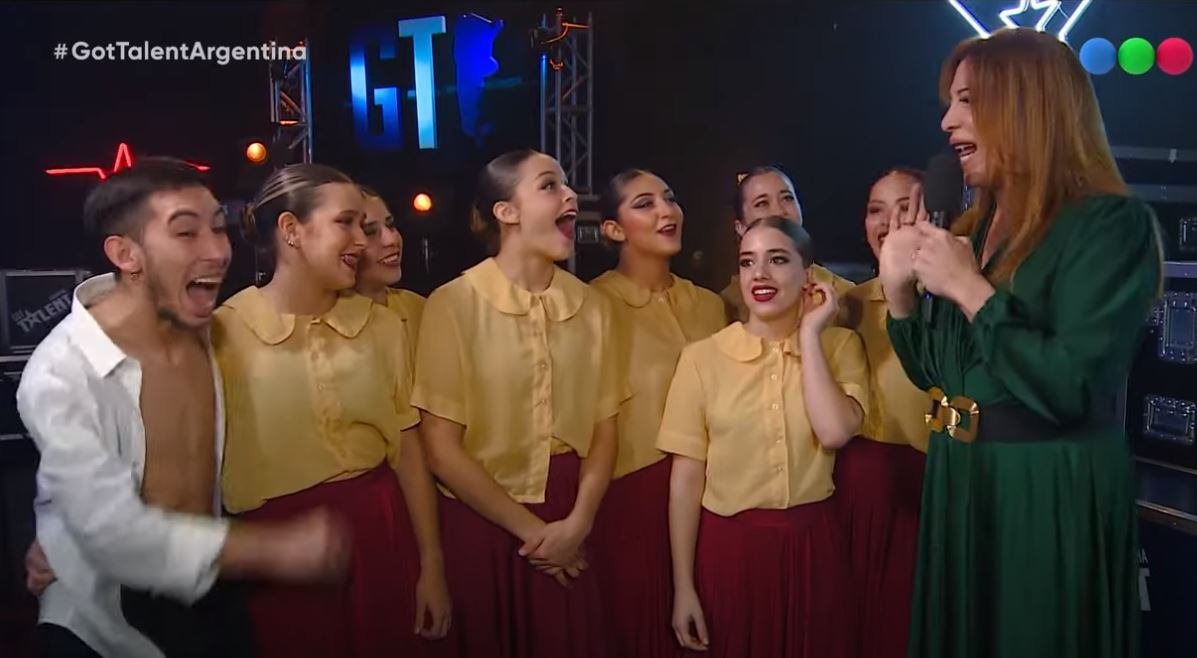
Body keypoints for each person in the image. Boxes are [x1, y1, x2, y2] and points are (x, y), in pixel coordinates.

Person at [879, 28, 1162, 658]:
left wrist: (972, 291)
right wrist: (900, 298)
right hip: (962, 478)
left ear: (1029, 105)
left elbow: (1072, 386)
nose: (947, 120)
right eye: (950, 103)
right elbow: (944, 376)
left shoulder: (1111, 225)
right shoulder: (974, 230)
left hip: (1045, 491)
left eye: (968, 101)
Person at [17, 159, 347, 658]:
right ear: (126, 254)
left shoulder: (210, 331)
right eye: (186, 233)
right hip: (101, 620)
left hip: (208, 597)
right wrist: (275, 549)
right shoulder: (59, 374)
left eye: (218, 227)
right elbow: (111, 531)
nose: (217, 250)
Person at [214, 164, 450, 658]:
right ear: (291, 230)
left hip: (383, 534)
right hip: (278, 553)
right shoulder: (221, 334)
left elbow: (408, 452)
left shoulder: (382, 327)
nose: (361, 242)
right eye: (346, 223)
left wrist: (431, 565)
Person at [414, 149, 627, 658]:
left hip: (572, 514)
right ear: (505, 212)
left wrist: (577, 523)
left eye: (568, 184)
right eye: (550, 185)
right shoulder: (453, 304)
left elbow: (604, 430)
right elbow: (441, 449)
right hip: (483, 521)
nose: (571, 195)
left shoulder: (593, 307)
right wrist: (537, 535)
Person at [661, 217, 864, 657]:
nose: (760, 274)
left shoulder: (840, 348)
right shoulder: (702, 359)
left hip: (813, 547)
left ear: (808, 274)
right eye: (748, 262)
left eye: (777, 260)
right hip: (731, 553)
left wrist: (810, 336)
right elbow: (685, 480)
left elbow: (833, 432)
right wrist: (683, 587)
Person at [589, 169, 726, 658]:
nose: (666, 211)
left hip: (716, 497)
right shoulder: (591, 307)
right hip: (632, 501)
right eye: (645, 204)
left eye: (670, 198)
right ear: (612, 229)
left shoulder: (711, 307)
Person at [835, 167, 929, 658]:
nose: (888, 221)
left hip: (929, 495)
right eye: (876, 209)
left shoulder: (953, 305)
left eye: (904, 208)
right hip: (855, 494)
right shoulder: (848, 306)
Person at [719, 166, 855, 322]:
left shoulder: (846, 295)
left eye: (787, 198)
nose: (779, 211)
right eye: (762, 203)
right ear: (740, 227)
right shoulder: (725, 306)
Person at [354, 185, 426, 354]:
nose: (392, 239)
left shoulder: (423, 309)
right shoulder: (322, 322)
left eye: (391, 225)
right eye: (370, 232)